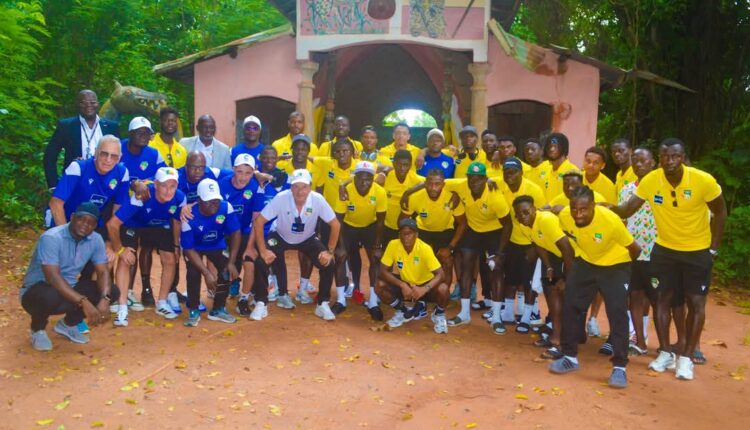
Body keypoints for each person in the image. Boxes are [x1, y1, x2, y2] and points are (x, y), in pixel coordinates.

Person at [611, 138, 726, 381]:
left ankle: (686, 358)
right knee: (661, 300)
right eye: (665, 156)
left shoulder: (703, 180)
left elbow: (720, 211)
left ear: (683, 158)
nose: (670, 161)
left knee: (695, 302)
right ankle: (665, 352)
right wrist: (601, 207)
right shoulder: (652, 180)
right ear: (659, 159)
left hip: (697, 251)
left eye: (675, 156)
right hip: (664, 250)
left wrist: (713, 249)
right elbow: (628, 209)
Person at [548, 186, 642, 389]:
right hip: (587, 262)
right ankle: (569, 357)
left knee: (617, 311)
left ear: (593, 206)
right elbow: (570, 234)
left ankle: (619, 367)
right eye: (574, 208)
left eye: (583, 209)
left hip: (616, 264)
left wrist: (621, 274)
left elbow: (635, 249)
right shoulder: (565, 216)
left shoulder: (610, 221)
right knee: (571, 305)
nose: (578, 214)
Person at [21, 203, 119, 351]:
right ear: (72, 217)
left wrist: (105, 299)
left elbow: (103, 272)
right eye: (81, 219)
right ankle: (38, 329)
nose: (85, 225)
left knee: (112, 291)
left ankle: (68, 325)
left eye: (91, 222)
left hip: (69, 288)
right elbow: (52, 277)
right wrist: (83, 301)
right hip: (36, 291)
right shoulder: (52, 237)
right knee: (50, 296)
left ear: (95, 226)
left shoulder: (96, 239)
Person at [249, 169, 341, 321]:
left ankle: (322, 304)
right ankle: (261, 303)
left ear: (310, 187)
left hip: (307, 238)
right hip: (280, 236)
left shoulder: (317, 199)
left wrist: (330, 252)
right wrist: (263, 250)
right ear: (291, 187)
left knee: (328, 263)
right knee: (261, 261)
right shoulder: (281, 198)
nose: (300, 191)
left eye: (304, 187)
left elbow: (335, 225)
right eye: (296, 186)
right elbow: (259, 222)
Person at [106, 167, 185, 326]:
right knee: (125, 259)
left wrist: (176, 245)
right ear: (155, 184)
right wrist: (120, 249)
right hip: (134, 224)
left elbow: (177, 221)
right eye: (164, 186)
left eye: (172, 186)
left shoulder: (179, 197)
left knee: (170, 259)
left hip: (158, 225)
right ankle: (122, 307)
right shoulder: (143, 195)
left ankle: (162, 302)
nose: (168, 190)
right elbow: (112, 224)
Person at [444, 162, 512, 330]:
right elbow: (433, 180)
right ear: (467, 177)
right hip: (473, 230)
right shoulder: (461, 185)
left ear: (485, 179)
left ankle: (496, 317)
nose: (474, 182)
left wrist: (500, 253)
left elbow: (507, 225)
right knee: (466, 268)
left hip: (494, 232)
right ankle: (464, 313)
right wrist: (409, 192)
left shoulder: (495, 196)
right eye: (471, 178)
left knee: (495, 270)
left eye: (479, 178)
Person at [513, 196, 574, 360]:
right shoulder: (524, 226)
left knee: (567, 299)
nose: (523, 216)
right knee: (552, 296)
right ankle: (555, 338)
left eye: (526, 212)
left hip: (572, 257)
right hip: (554, 257)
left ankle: (565, 344)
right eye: (519, 214)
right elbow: (539, 245)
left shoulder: (546, 219)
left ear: (534, 209)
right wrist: (548, 267)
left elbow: (567, 248)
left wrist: (566, 279)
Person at [400, 168, 467, 317]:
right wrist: (412, 239)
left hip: (445, 232)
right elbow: (402, 220)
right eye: (430, 184)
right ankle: (420, 298)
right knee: (420, 262)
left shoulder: (451, 198)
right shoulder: (416, 197)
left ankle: (443, 297)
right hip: (423, 231)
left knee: (447, 261)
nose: (433, 188)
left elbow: (462, 223)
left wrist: (450, 247)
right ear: (425, 183)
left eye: (437, 184)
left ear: (443, 184)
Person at [180, 178, 241, 327]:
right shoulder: (188, 217)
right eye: (209, 201)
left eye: (216, 200)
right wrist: (207, 273)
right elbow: (188, 249)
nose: (214, 204)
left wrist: (231, 262)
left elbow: (236, 233)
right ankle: (194, 309)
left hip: (216, 245)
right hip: (195, 249)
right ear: (199, 200)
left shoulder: (226, 208)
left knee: (226, 271)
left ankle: (218, 309)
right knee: (193, 272)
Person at [376, 218, 450, 333]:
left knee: (443, 289)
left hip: (425, 286)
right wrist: (402, 285)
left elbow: (441, 274)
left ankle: (439, 314)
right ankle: (402, 310)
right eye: (403, 233)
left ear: (416, 235)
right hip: (406, 285)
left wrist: (424, 289)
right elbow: (382, 271)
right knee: (379, 285)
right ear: (399, 235)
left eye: (409, 233)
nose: (406, 237)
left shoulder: (425, 248)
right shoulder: (393, 244)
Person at [333, 161, 387, 319]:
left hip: (370, 227)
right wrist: (340, 246)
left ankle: (373, 302)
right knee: (340, 257)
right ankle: (341, 300)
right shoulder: (345, 191)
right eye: (361, 178)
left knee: (375, 259)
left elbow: (380, 221)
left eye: (368, 179)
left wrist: (377, 245)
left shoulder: (379, 192)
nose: (364, 182)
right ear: (354, 178)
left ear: (373, 179)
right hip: (348, 227)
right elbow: (338, 220)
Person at [497, 157, 546, 333]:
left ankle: (526, 317)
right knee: (510, 279)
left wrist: (535, 245)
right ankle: (508, 313)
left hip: (531, 243)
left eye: (513, 171)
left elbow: (540, 218)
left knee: (528, 283)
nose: (509, 175)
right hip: (512, 241)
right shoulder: (500, 186)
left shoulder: (534, 190)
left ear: (521, 173)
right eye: (506, 172)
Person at [617, 147, 657, 356]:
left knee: (658, 299)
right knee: (634, 295)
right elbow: (622, 221)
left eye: (643, 160)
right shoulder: (626, 190)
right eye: (635, 161)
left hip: (656, 252)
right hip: (633, 251)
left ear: (653, 162)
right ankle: (639, 340)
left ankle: (667, 346)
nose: (639, 164)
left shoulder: (660, 188)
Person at [46, 135, 130, 230]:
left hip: (90, 225)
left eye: (114, 156)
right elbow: (56, 203)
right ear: (96, 152)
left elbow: (117, 208)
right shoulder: (78, 168)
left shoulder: (122, 173)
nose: (108, 160)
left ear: (119, 158)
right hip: (63, 219)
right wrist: (64, 234)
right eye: (104, 154)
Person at [44, 89, 120, 189]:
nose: (88, 105)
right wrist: (54, 185)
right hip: (74, 185)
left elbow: (118, 156)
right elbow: (50, 156)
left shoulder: (111, 127)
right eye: (83, 102)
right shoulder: (66, 126)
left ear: (97, 104)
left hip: (104, 185)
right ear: (77, 104)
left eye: (92, 102)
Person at [217, 154, 261, 316]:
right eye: (240, 171)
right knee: (222, 263)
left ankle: (244, 298)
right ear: (233, 169)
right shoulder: (222, 184)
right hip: (224, 231)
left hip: (245, 232)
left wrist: (250, 247)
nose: (243, 177)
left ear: (253, 172)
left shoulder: (256, 188)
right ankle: (222, 292)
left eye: (248, 173)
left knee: (249, 261)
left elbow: (256, 220)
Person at [378, 149, 425, 244]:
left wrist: (408, 192)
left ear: (410, 165)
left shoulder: (414, 178)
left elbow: (428, 182)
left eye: (405, 165)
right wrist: (383, 172)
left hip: (406, 227)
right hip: (385, 225)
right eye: (399, 164)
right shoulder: (386, 177)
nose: (402, 168)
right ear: (394, 164)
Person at [120, 117, 166, 182]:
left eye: (147, 133)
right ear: (130, 134)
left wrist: (146, 184)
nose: (144, 136)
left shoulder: (155, 155)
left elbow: (165, 175)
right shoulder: (116, 149)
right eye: (140, 132)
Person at [541, 133, 578, 202]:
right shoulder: (545, 169)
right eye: (549, 146)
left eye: (556, 147)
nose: (552, 149)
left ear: (564, 148)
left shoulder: (573, 172)